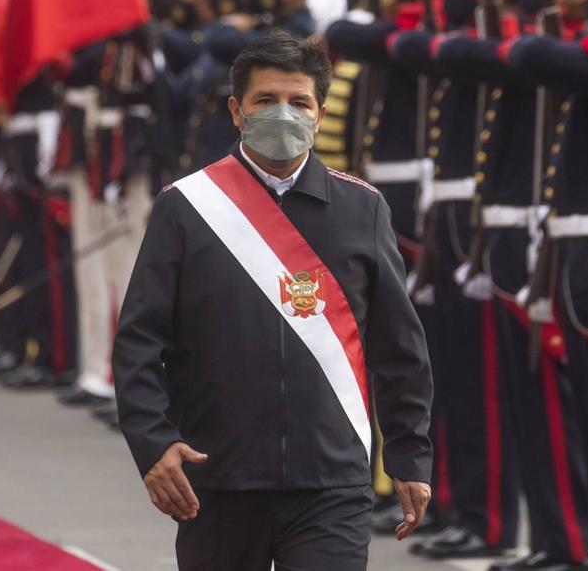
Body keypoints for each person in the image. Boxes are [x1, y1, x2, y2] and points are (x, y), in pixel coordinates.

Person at [112, 32, 434, 570]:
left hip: (331, 482)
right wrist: (153, 443)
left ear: (321, 113)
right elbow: (139, 343)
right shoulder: (187, 207)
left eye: (298, 102)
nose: (282, 114)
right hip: (218, 481)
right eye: (266, 101)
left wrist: (409, 455)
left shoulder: (364, 208)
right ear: (237, 111)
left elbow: (399, 348)